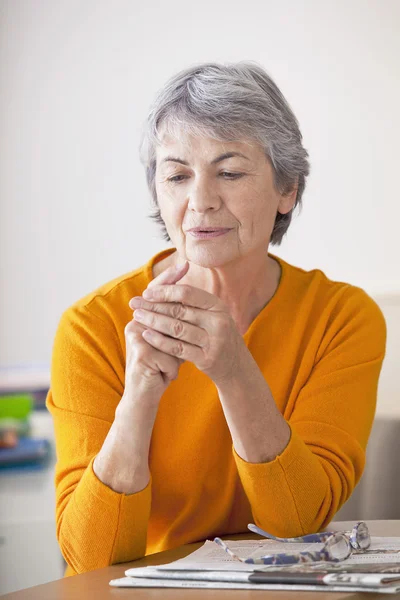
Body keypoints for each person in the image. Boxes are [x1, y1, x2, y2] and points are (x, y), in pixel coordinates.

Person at [46, 62, 386, 576]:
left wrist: (233, 368)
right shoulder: (92, 328)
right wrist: (139, 394)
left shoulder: (342, 318)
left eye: (229, 172)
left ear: (287, 189)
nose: (200, 201)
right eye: (177, 175)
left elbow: (298, 521)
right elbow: (92, 560)